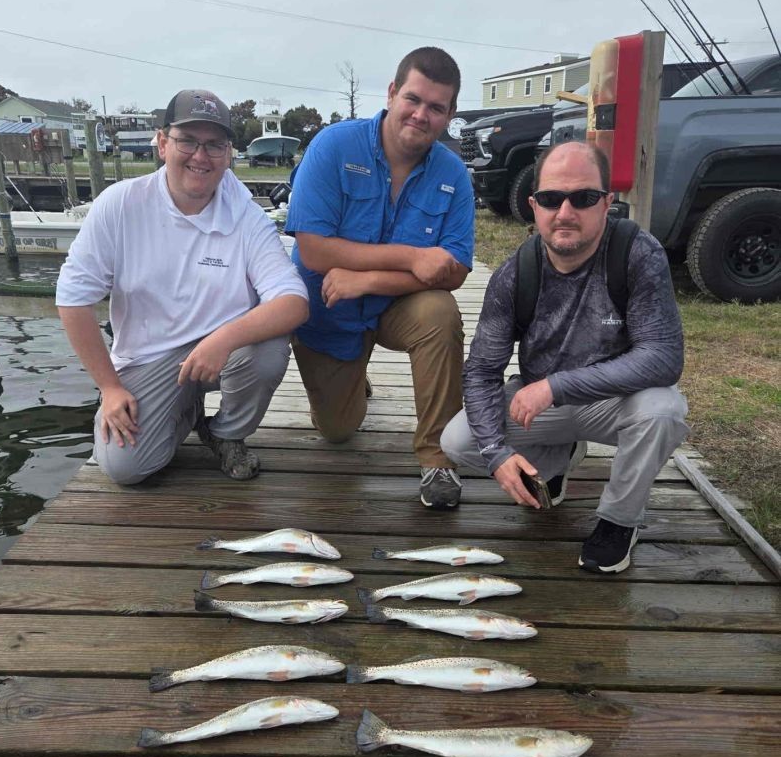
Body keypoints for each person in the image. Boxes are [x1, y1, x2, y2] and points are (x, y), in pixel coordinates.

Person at [441, 140, 688, 573]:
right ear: (534, 206)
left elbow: (663, 358)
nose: (566, 211)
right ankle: (555, 464)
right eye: (553, 198)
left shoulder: (638, 253)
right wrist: (498, 456)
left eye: (584, 197)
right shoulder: (515, 273)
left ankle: (618, 521)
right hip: (544, 405)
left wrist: (557, 386)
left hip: (612, 400)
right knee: (458, 441)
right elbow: (481, 371)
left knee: (663, 409)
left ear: (607, 202)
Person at [56, 88, 308, 485]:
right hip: (149, 357)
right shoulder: (119, 204)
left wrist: (223, 339)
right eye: (187, 141)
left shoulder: (247, 215)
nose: (200, 156)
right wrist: (108, 388)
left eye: (214, 145)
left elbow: (293, 302)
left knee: (269, 349)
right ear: (162, 143)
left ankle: (226, 434)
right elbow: (72, 300)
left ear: (228, 154)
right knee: (126, 469)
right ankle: (186, 409)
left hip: (224, 353)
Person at [285, 47, 475, 509]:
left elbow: (453, 270)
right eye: (413, 99)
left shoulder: (453, 173)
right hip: (328, 311)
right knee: (337, 431)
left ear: (449, 115)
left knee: (439, 312)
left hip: (394, 306)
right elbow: (312, 249)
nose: (420, 114)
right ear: (391, 93)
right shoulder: (333, 146)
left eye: (436, 107)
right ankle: (354, 382)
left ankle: (438, 458)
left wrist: (366, 279)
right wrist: (412, 256)